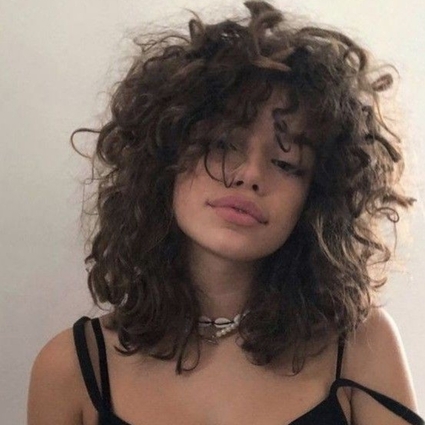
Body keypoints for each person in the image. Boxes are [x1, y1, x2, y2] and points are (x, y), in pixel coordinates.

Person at [27, 2, 424, 424]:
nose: (250, 175)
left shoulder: (361, 346)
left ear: (317, 197)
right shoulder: (71, 369)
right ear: (164, 157)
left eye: (286, 162)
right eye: (222, 145)